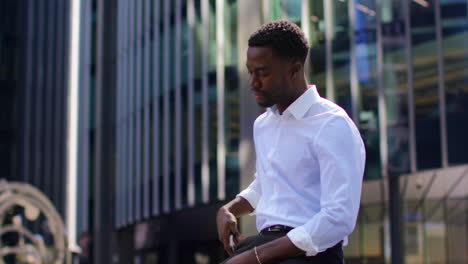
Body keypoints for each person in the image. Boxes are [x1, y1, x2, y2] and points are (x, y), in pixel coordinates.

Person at [216, 20, 366, 264]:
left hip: (312, 254)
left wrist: (256, 257)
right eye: (250, 72)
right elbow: (268, 181)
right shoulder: (264, 124)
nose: (253, 82)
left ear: (294, 70)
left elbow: (339, 217)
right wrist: (230, 209)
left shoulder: (331, 124)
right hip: (269, 244)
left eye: (263, 73)